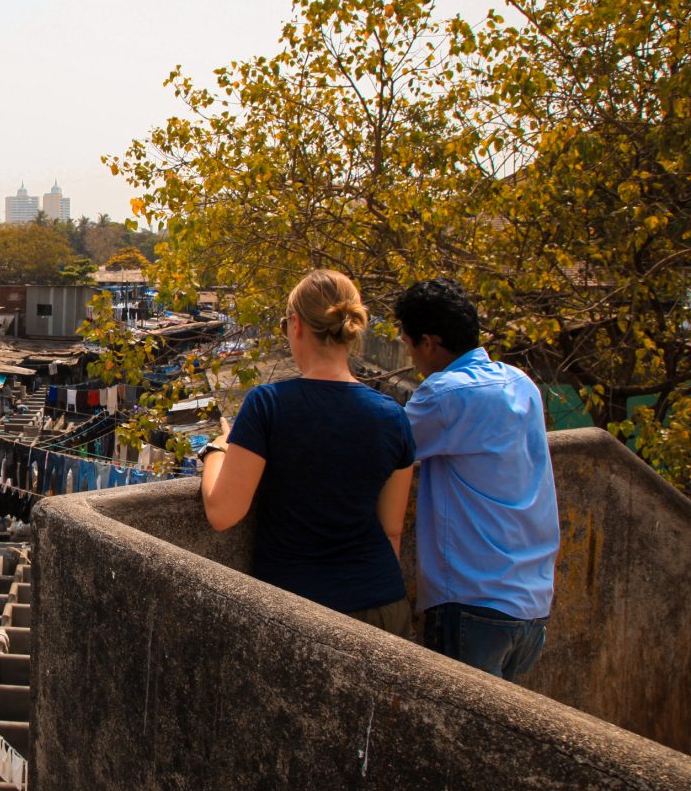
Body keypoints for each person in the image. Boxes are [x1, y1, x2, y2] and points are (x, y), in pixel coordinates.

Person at [200, 269, 416, 636]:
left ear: (296, 325)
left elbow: (222, 513)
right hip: (383, 601)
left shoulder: (267, 405)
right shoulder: (393, 416)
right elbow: (392, 530)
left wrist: (218, 449)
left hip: (300, 611)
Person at [394, 278, 560, 681]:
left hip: (475, 601)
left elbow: (384, 444)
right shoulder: (520, 383)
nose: (411, 357)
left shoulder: (444, 396)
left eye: (409, 345)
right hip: (532, 603)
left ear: (429, 342)